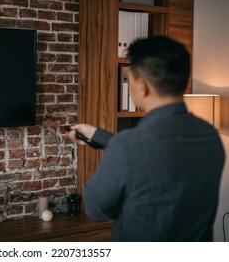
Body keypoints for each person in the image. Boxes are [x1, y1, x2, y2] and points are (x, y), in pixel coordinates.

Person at [67, 36, 225, 241]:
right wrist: (102, 137)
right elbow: (159, 162)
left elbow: (97, 209)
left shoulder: (127, 146)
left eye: (129, 78)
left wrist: (114, 150)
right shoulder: (210, 135)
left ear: (142, 86)